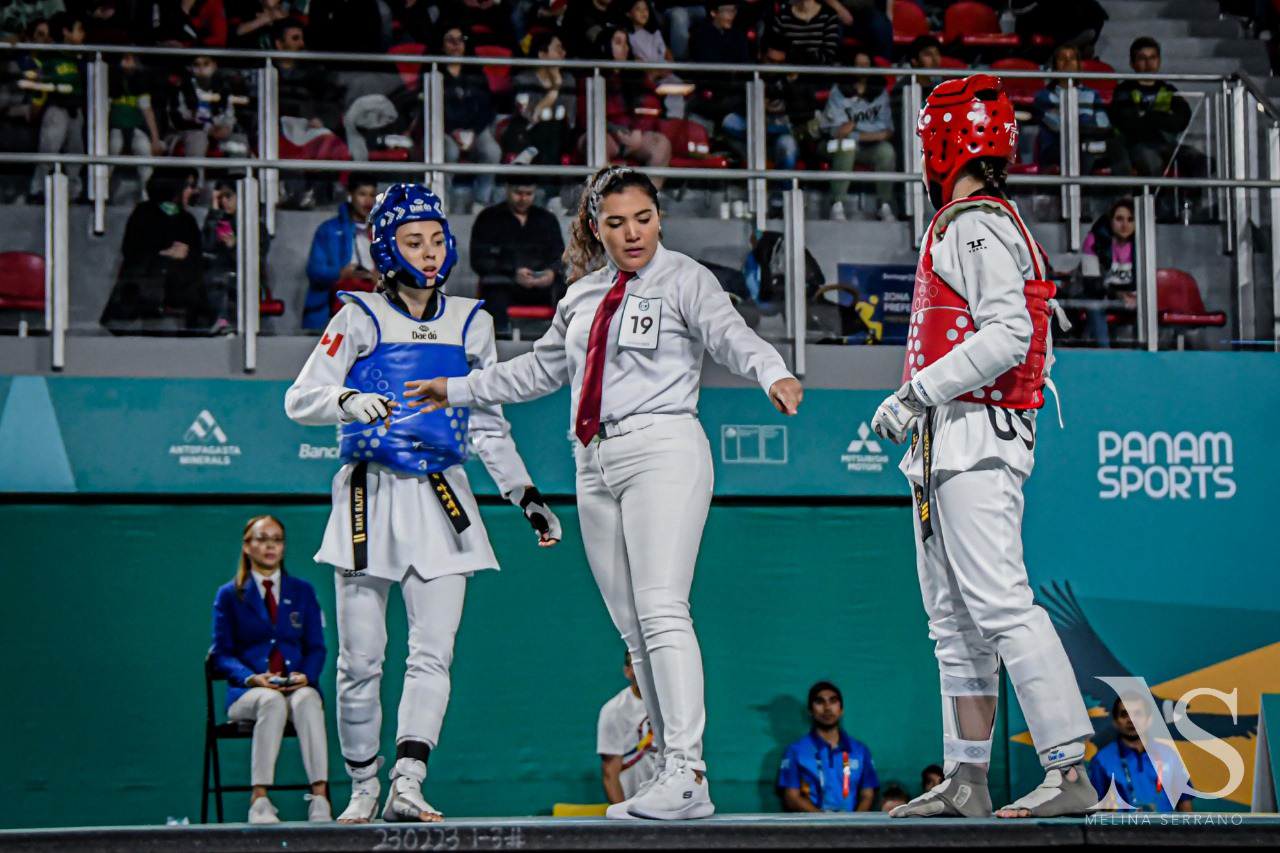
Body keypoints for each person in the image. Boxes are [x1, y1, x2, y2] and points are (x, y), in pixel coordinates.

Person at [404, 165, 805, 820]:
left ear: (659, 217)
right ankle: (673, 772)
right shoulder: (582, 295)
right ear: (596, 225)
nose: (632, 232)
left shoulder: (686, 279)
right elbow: (539, 369)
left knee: (662, 607)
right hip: (592, 462)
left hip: (663, 447)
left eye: (643, 218)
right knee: (632, 626)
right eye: (616, 222)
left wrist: (773, 371)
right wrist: (459, 387)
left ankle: (688, 770)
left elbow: (731, 336)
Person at [284, 183, 562, 824]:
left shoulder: (473, 321)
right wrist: (345, 401)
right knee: (360, 659)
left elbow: (488, 423)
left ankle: (408, 780)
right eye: (414, 241)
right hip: (368, 497)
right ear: (386, 246)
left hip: (444, 498)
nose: (430, 253)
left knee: (433, 652)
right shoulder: (355, 317)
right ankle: (360, 787)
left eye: (437, 239)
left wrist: (525, 496)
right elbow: (300, 398)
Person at [871, 75, 1098, 819]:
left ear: (940, 141)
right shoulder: (983, 219)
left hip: (972, 432)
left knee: (1000, 604)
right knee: (954, 622)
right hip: (949, 441)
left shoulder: (971, 222)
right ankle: (968, 777)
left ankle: (1069, 769)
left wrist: (913, 394)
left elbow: (1009, 334)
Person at [210, 515, 331, 824]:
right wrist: (252, 678)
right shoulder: (229, 595)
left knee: (308, 700)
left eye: (276, 540)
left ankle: (320, 797)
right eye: (262, 539)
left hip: (295, 688)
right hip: (249, 694)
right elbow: (221, 654)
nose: (270, 546)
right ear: (247, 546)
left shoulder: (302, 591)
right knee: (271, 701)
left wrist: (307, 675)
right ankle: (259, 799)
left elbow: (317, 647)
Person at [100, 168, 208, 331]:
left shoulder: (187, 221)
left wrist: (185, 255)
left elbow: (198, 257)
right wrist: (164, 253)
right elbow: (131, 250)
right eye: (188, 186)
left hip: (180, 289)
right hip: (145, 287)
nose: (191, 192)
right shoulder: (143, 213)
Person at [470, 181, 566, 336]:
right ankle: (499, 342)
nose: (523, 199)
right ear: (508, 190)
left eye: (529, 194)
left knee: (569, 292)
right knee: (492, 290)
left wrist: (551, 272)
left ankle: (569, 344)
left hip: (543, 285)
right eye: (518, 193)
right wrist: (513, 271)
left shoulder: (546, 219)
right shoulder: (488, 218)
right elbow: (479, 259)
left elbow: (560, 255)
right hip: (505, 283)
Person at [778, 681, 880, 812]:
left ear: (841, 709)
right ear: (810, 710)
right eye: (820, 702)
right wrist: (824, 822)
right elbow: (792, 797)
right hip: (811, 828)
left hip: (851, 828)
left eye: (833, 701)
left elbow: (867, 795)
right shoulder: (795, 751)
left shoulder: (860, 750)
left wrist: (853, 824)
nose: (827, 708)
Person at [819, 49, 896, 222]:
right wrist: (871, 133)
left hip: (865, 148)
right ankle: (837, 205)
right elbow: (835, 131)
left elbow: (886, 129)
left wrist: (855, 126)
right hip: (832, 146)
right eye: (858, 64)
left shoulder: (880, 93)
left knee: (886, 151)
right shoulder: (838, 92)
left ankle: (884, 205)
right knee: (847, 146)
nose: (863, 68)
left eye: (866, 64)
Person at [1087, 698, 1195, 813]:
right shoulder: (1102, 760)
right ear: (1115, 722)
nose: (1131, 720)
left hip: (1165, 829)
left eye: (1138, 714)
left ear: (1149, 720)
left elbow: (1184, 802)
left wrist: (1187, 831)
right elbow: (1096, 809)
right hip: (1121, 829)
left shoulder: (1168, 755)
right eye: (1124, 714)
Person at [439, 26, 503, 212]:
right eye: (450, 40)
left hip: (474, 130)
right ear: (442, 46)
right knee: (448, 151)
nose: (456, 45)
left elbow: (487, 108)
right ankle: (444, 200)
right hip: (445, 130)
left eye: (460, 40)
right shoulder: (434, 70)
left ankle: (480, 201)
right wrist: (453, 131)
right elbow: (430, 109)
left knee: (491, 151)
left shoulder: (475, 72)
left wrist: (474, 131)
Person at [304, 173, 380, 331]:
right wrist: (340, 273)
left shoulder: (383, 232)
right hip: (334, 308)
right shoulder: (328, 230)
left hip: (373, 304)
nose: (368, 201)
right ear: (350, 195)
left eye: (372, 195)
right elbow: (314, 271)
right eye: (362, 194)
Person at [28, 11, 85, 202]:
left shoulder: (80, 57)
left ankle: (74, 193)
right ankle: (37, 189)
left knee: (76, 153)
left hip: (75, 110)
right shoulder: (48, 55)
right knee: (49, 149)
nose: (82, 34)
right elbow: (39, 80)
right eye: (78, 30)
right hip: (56, 109)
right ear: (65, 32)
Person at [1030, 43, 1111, 171]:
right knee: (1082, 149)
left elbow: (1103, 124)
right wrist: (1086, 120)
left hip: (1087, 144)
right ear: (1055, 66)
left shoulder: (1092, 94)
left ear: (1079, 65)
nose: (1067, 62)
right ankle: (1084, 189)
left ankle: (1125, 190)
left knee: (1114, 147)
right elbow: (1058, 126)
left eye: (1072, 58)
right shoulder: (1043, 96)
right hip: (1055, 147)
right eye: (1062, 58)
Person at [597, 651, 661, 804]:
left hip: (672, 805)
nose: (642, 669)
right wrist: (622, 821)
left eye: (647, 663)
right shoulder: (613, 710)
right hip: (632, 807)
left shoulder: (675, 707)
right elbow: (610, 772)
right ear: (627, 672)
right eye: (635, 664)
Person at [1077, 197, 1135, 348]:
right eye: (1119, 219)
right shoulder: (1094, 241)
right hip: (1101, 296)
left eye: (1130, 219)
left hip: (1131, 298)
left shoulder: (1142, 243)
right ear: (1111, 221)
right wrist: (1118, 294)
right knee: (1094, 305)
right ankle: (1105, 353)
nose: (1125, 225)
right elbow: (1091, 283)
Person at [107, 53, 164, 198]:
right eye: (124, 59)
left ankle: (147, 195)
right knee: (110, 151)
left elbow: (148, 113)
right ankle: (103, 193)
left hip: (135, 130)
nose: (127, 63)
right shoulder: (110, 84)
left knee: (145, 151)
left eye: (130, 59)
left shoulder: (140, 84)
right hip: (115, 130)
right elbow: (103, 113)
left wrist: (155, 139)